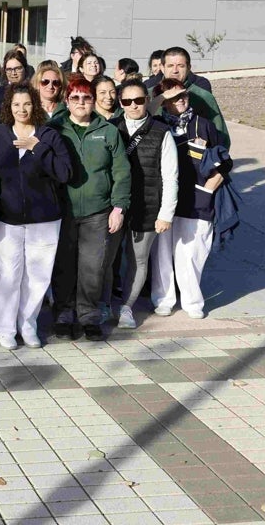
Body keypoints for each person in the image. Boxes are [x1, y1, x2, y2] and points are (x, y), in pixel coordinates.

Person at [0, 83, 72, 349]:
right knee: (8, 275)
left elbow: (64, 173)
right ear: (8, 108)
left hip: (44, 219)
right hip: (7, 219)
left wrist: (38, 147)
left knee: (38, 277)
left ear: (34, 105)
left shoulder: (49, 135)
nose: (21, 109)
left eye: (26, 104)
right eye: (16, 104)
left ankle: (28, 324)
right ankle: (5, 328)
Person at [50, 76, 131, 342]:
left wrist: (119, 207)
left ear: (94, 101)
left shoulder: (107, 131)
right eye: (75, 98)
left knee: (93, 267)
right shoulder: (55, 129)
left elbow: (121, 171)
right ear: (67, 101)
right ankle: (64, 313)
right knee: (64, 265)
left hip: (98, 212)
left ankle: (88, 316)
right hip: (63, 212)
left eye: (86, 97)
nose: (81, 102)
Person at [152, 79, 232, 320]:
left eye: (183, 95)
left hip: (196, 199)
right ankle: (163, 298)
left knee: (192, 253)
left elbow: (224, 162)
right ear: (163, 102)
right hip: (164, 200)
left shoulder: (203, 125)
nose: (181, 100)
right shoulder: (155, 125)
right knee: (161, 254)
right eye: (174, 97)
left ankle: (192, 301)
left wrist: (208, 189)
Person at [110, 79, 177, 330]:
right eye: (127, 101)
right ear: (120, 103)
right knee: (107, 260)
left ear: (147, 101)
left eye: (138, 100)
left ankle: (126, 306)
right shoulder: (110, 128)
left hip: (147, 205)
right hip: (115, 206)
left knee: (138, 259)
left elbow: (171, 177)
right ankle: (105, 303)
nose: (133, 105)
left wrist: (166, 214)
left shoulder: (161, 132)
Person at [154, 47, 228, 147]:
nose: (175, 71)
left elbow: (221, 137)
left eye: (180, 66)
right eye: (170, 66)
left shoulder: (203, 96)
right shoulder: (150, 95)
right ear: (162, 68)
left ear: (189, 68)